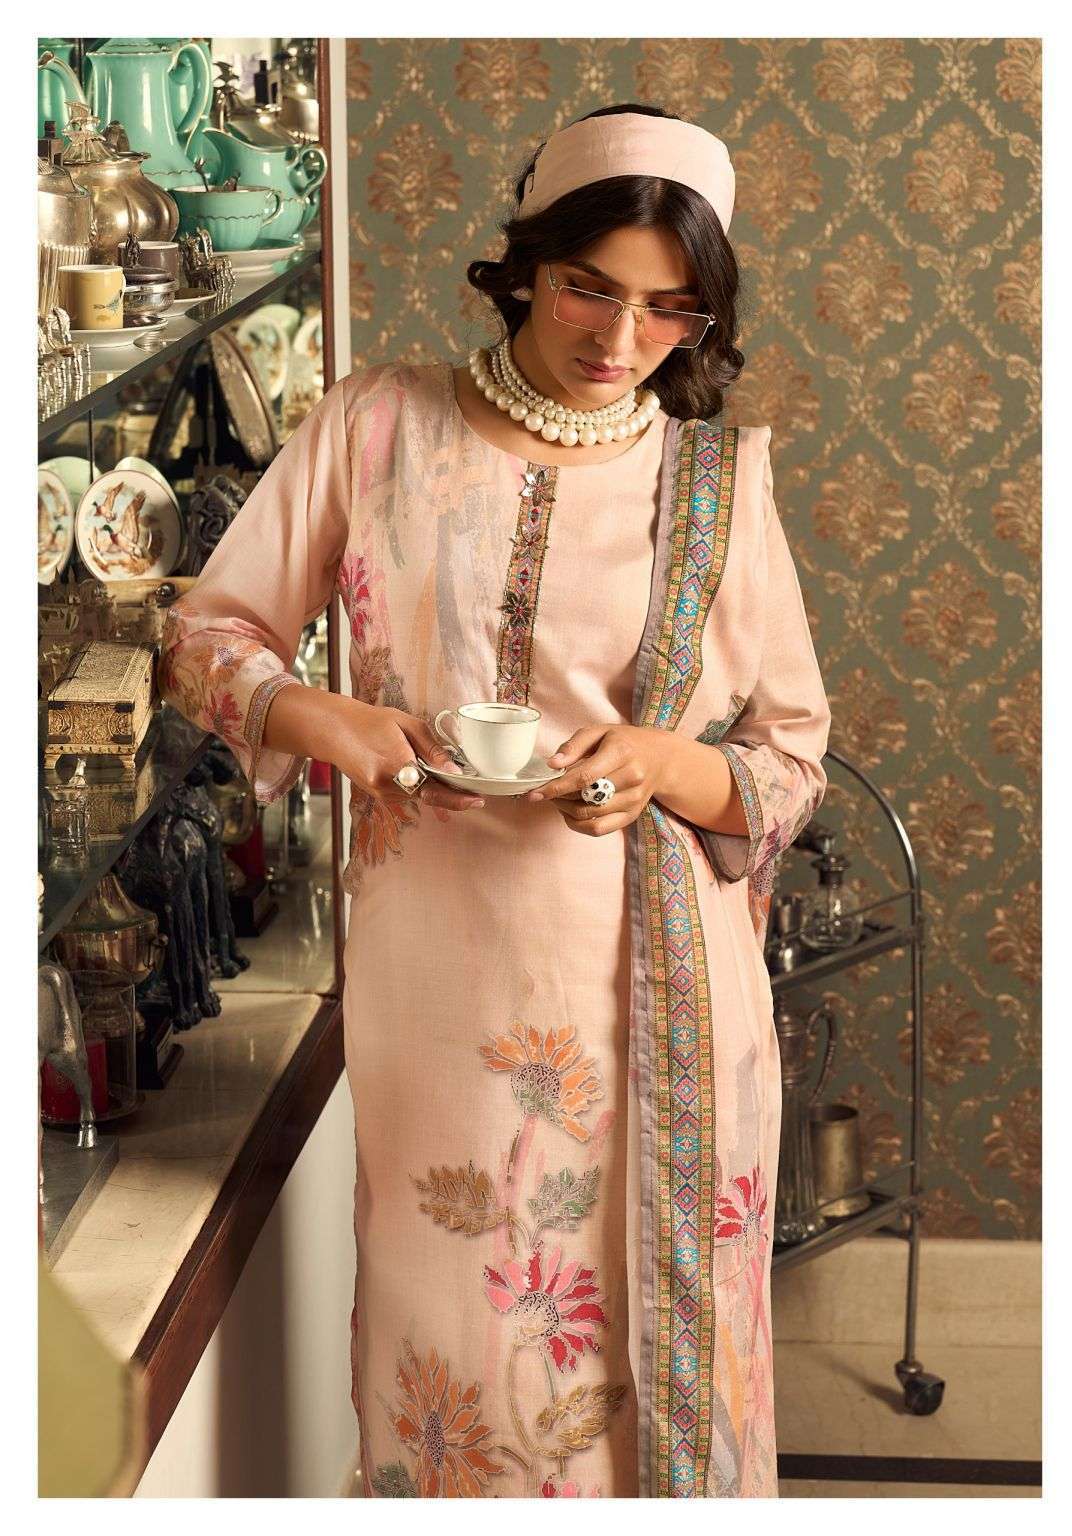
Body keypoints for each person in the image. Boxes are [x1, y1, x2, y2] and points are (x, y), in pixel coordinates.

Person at [157, 102, 831, 1499]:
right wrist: (326, 720)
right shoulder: (378, 427)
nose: (621, 338)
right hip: (441, 998)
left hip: (663, 992)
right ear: (525, 263)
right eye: (591, 287)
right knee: (455, 1367)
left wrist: (661, 765)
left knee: (661, 1371)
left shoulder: (717, 481)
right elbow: (206, 637)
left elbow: (787, 761)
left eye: (670, 309)